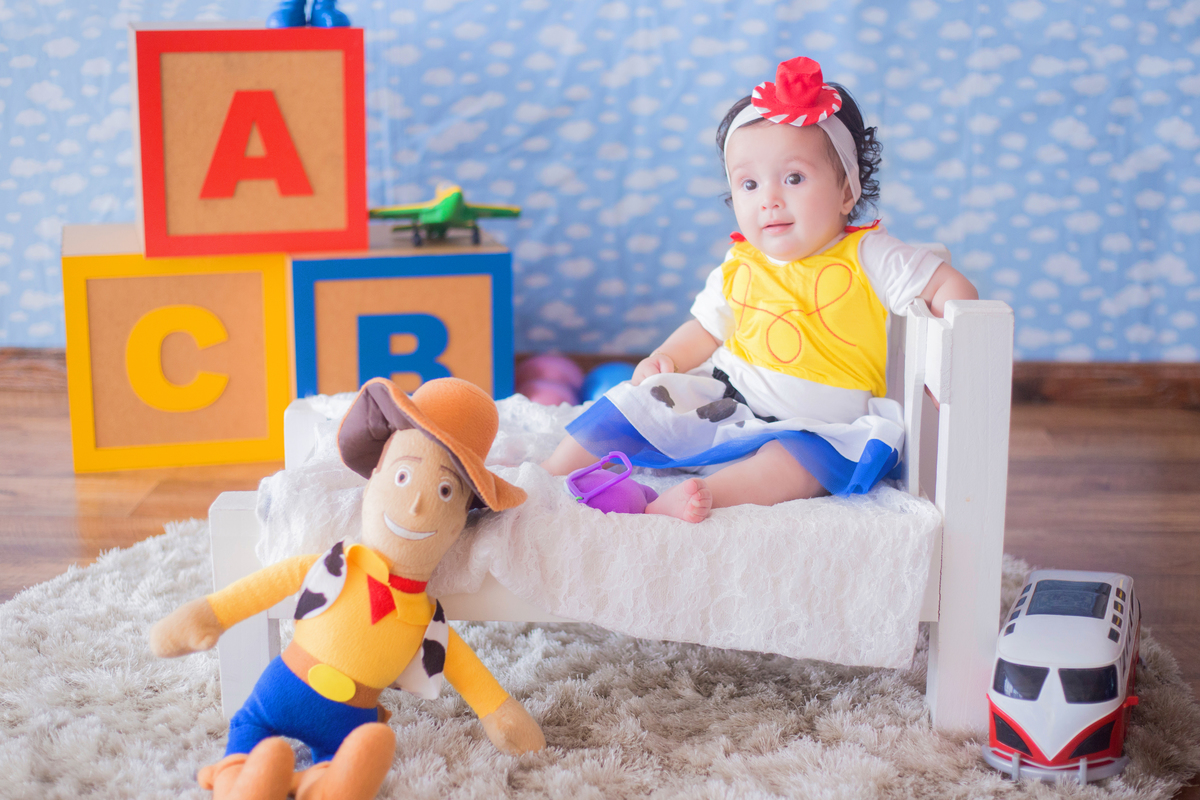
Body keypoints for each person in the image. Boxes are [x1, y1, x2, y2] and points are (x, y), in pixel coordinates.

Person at [541, 56, 978, 523]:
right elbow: (705, 329)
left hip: (816, 426)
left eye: (793, 178)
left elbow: (947, 285)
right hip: (728, 404)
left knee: (796, 466)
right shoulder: (740, 262)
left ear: (846, 191)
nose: (769, 198)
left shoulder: (869, 254)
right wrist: (663, 359)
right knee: (635, 399)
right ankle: (544, 476)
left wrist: (956, 342)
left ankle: (701, 494)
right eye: (748, 183)